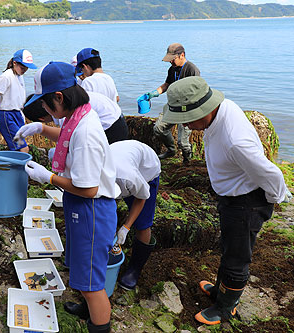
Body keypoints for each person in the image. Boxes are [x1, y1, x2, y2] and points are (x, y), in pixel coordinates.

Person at [162, 76, 291, 325]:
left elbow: (271, 173)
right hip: (231, 196)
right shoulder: (222, 108)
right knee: (228, 247)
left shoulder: (236, 141)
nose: (186, 125)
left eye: (187, 119)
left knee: (237, 257)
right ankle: (221, 290)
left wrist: (274, 200)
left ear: (204, 110)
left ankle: (225, 308)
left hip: (247, 201)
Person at [15, 62, 117, 333]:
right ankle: (87, 308)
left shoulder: (85, 131)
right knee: (84, 272)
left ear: (59, 97)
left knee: (93, 285)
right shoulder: (80, 116)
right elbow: (67, 136)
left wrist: (46, 177)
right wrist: (41, 128)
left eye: (46, 106)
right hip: (82, 207)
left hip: (92, 209)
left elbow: (88, 188)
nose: (46, 111)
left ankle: (99, 325)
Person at [111, 140, 160, 291]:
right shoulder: (94, 173)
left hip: (147, 170)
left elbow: (141, 198)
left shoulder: (129, 178)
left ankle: (134, 269)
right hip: (125, 156)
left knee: (142, 224)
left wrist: (126, 227)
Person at [142, 43, 199, 163]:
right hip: (172, 106)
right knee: (159, 128)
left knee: (182, 142)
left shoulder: (192, 70)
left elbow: (197, 92)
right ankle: (171, 150)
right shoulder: (172, 69)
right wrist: (153, 93)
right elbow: (167, 85)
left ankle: (187, 160)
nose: (170, 62)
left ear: (182, 55)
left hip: (186, 109)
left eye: (172, 59)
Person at [23, 90, 128, 145]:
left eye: (43, 104)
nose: (43, 106)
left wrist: (41, 129)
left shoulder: (62, 112)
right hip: (116, 117)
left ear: (41, 118)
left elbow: (65, 137)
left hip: (112, 127)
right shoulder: (60, 99)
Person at [0, 49, 37, 152]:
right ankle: (19, 167)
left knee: (16, 148)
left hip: (17, 114)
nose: (24, 70)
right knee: (23, 148)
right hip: (7, 116)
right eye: (22, 67)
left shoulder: (19, 76)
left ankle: (11, 166)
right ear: (14, 63)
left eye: (26, 68)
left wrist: (21, 112)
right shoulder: (6, 76)